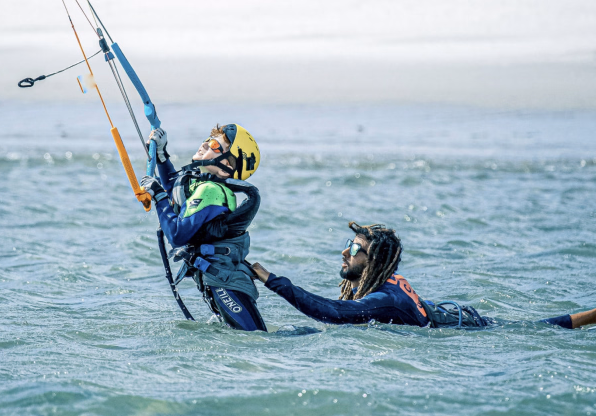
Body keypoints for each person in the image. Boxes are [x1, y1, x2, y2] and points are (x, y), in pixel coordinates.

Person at [251, 222, 596, 330]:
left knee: (538, 328)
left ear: (373, 261)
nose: (345, 252)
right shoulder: (379, 287)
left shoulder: (384, 297)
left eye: (355, 248)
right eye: (348, 245)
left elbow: (335, 313)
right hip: (446, 315)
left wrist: (272, 280)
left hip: (464, 329)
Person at [139, 124, 267, 331]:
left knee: (255, 338)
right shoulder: (207, 186)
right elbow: (177, 190)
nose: (205, 144)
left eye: (214, 144)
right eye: (208, 139)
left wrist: (160, 197)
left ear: (225, 163)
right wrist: (162, 156)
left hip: (227, 284)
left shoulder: (210, 191)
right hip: (224, 280)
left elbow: (178, 235)